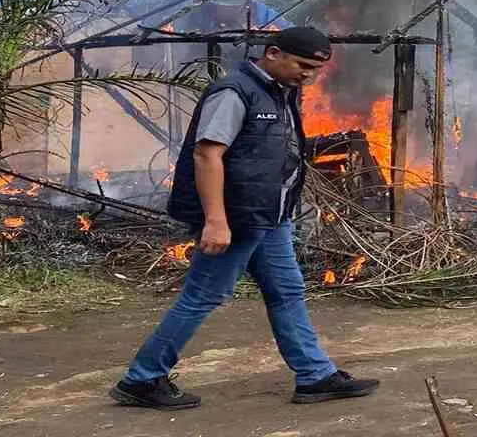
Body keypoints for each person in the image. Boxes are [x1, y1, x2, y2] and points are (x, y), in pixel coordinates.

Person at [110, 26, 379, 409]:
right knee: (202, 296)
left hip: (268, 216)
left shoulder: (278, 92)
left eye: (314, 70)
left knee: (287, 292)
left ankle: (315, 376)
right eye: (302, 65)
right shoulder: (234, 92)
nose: (307, 75)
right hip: (237, 218)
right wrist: (215, 220)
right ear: (272, 53)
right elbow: (207, 155)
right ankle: (142, 378)